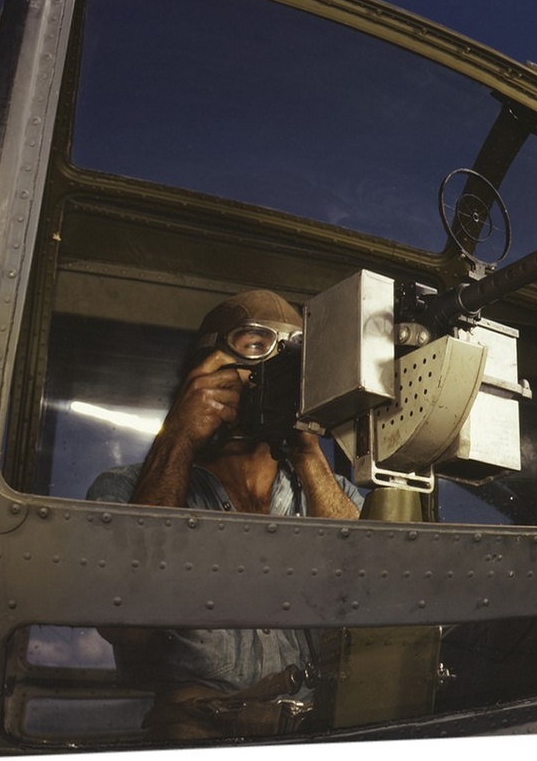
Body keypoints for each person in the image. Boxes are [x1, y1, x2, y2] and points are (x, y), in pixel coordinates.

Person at [87, 289, 364, 741]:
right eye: (254, 348)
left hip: (317, 735)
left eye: (290, 359)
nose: (266, 375)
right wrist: (178, 436)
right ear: (205, 366)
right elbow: (127, 626)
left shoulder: (329, 493)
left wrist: (308, 448)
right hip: (193, 736)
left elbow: (371, 600)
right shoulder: (125, 489)